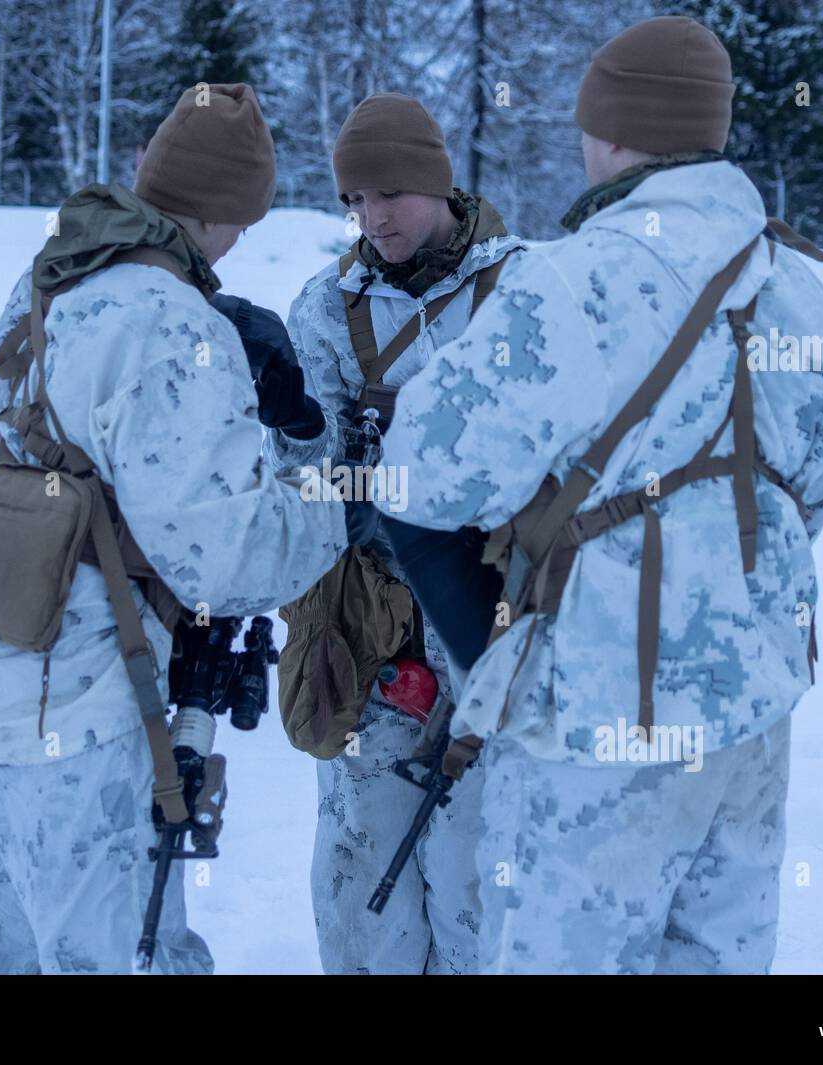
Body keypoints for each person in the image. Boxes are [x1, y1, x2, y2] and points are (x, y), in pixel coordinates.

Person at [375, 17, 823, 974]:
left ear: (612, 133)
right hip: (752, 715)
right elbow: (818, 499)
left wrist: (489, 659)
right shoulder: (809, 298)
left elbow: (416, 477)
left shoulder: (567, 284)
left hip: (594, 725)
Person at [0, 83, 347, 975]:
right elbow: (226, 556)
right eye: (245, 216)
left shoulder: (57, 271)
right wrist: (333, 500)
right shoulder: (173, 324)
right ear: (230, 207)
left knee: (10, 934)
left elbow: (26, 416)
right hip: (82, 689)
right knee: (120, 948)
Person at [264, 92, 524, 974]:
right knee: (359, 871)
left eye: (391, 195)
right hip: (371, 625)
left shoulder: (525, 291)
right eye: (353, 200)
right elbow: (310, 477)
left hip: (495, 626)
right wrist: (298, 431)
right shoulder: (326, 308)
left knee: (477, 875)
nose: (372, 219)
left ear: (440, 185)